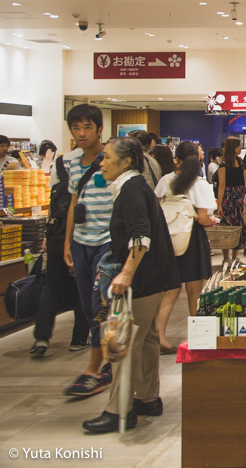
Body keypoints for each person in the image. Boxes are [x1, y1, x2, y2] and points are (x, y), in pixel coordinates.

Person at [82, 137, 180, 434]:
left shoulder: (131, 190)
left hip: (142, 278)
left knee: (123, 343)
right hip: (156, 276)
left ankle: (118, 410)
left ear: (126, 161)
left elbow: (141, 236)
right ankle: (148, 398)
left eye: (107, 157)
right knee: (147, 338)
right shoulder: (135, 187)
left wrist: (125, 274)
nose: (102, 162)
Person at [62, 104, 114, 397]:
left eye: (86, 128)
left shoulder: (112, 160)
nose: (81, 133)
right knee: (85, 306)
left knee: (99, 306)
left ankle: (94, 368)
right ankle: (105, 360)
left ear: (98, 129)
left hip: (107, 243)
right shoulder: (70, 164)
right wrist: (67, 243)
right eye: (76, 128)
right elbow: (73, 206)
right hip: (81, 242)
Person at [153, 141, 216, 352]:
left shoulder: (165, 180)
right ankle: (198, 337)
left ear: (176, 160)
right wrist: (213, 221)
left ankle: (160, 338)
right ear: (198, 160)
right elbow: (204, 219)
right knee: (194, 292)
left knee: (169, 291)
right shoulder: (200, 185)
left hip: (167, 240)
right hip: (191, 240)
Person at [29, 148, 89, 357]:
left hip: (57, 232)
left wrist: (48, 232)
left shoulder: (61, 161)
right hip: (85, 233)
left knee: (52, 283)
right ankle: (79, 338)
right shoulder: (99, 160)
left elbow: (53, 198)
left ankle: (41, 337)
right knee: (84, 284)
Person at [216, 136, 246, 261]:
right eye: (238, 145)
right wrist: (219, 205)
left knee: (239, 227)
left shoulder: (240, 161)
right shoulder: (223, 165)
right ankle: (226, 258)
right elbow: (222, 185)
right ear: (233, 147)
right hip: (229, 198)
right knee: (227, 228)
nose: (240, 147)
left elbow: (244, 182)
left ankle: (235, 257)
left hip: (240, 197)